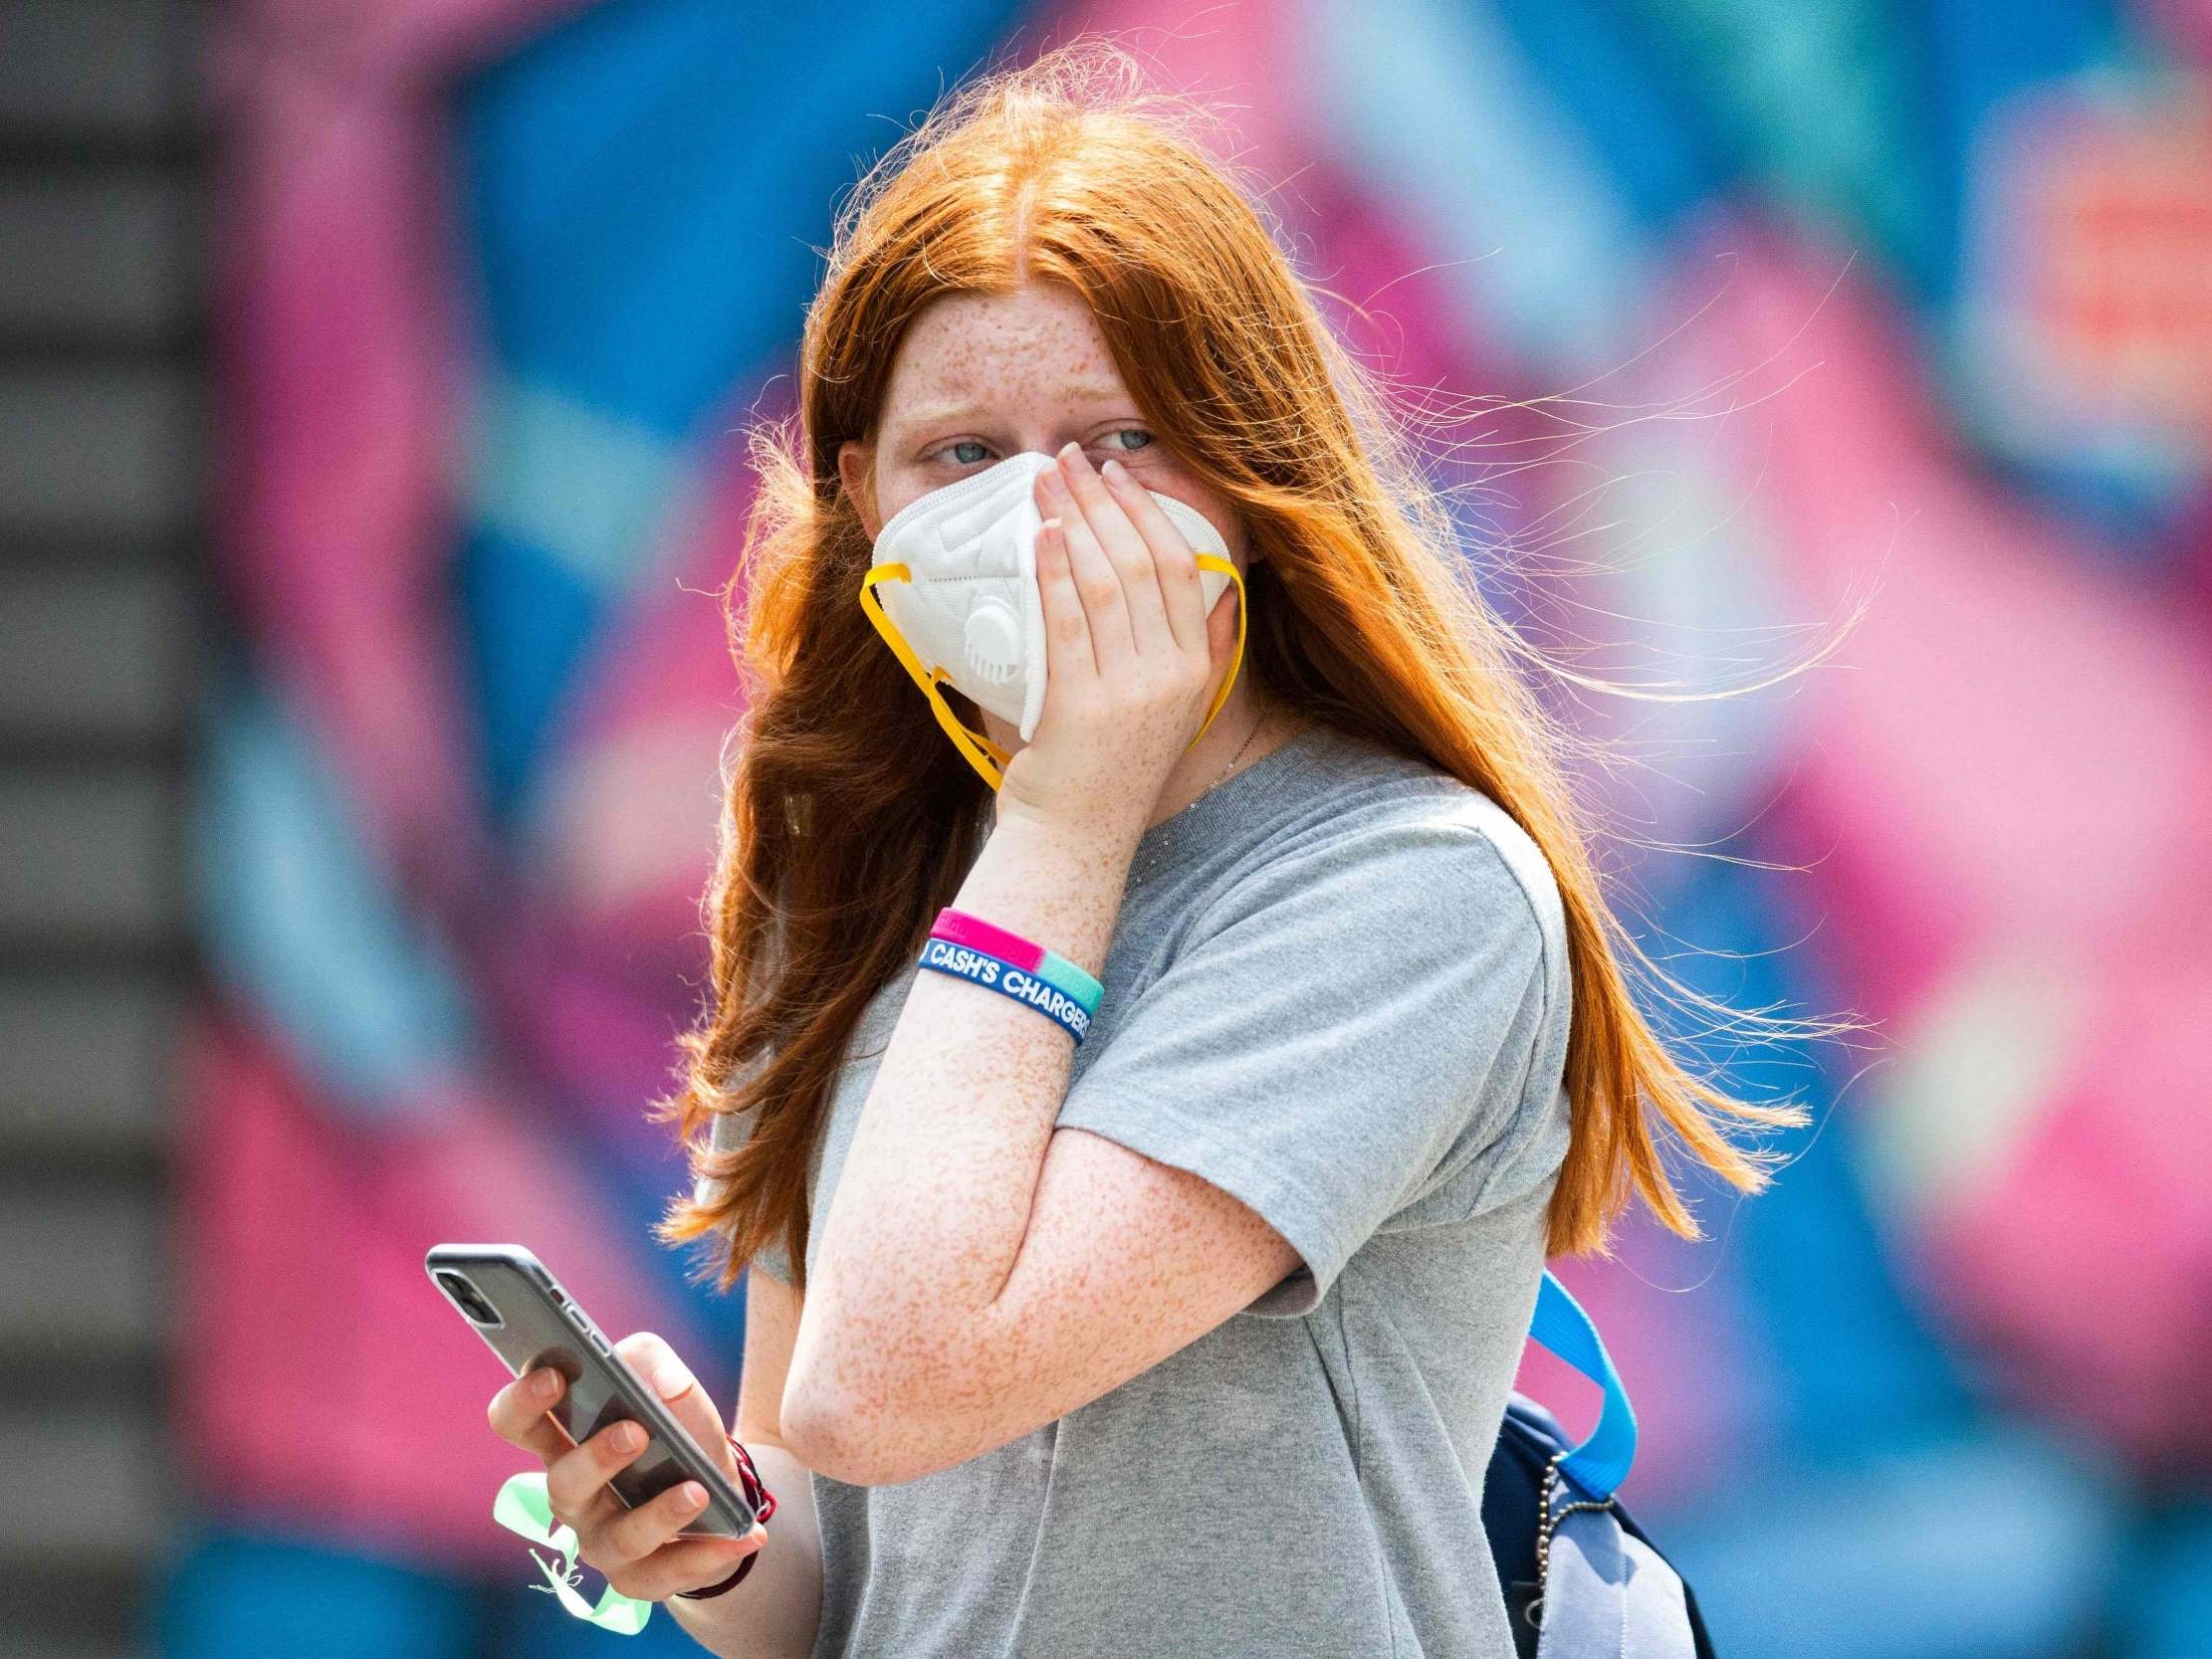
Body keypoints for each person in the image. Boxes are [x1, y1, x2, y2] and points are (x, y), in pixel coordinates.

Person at [486, 37, 1830, 1659]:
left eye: (1118, 444)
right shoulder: (851, 881)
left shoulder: (1407, 890)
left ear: (1248, 481)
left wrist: (1066, 807)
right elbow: (848, 1565)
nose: (1044, 516)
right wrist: (706, 1549)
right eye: (961, 455)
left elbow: (891, 1380)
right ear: (860, 499)